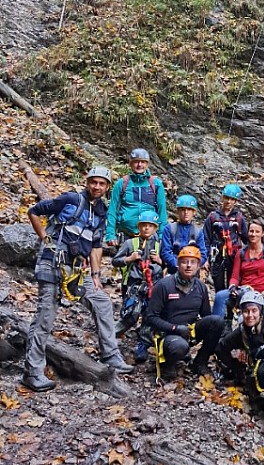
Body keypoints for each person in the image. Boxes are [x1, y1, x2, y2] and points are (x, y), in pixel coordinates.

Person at [22, 166, 133, 392]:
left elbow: (95, 246)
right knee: (45, 316)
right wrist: (45, 239)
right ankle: (32, 372)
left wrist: (95, 275)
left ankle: (111, 355)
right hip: (51, 263)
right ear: (87, 181)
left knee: (101, 301)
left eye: (102, 184)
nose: (97, 187)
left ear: (107, 187)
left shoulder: (101, 211)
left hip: (74, 270)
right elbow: (34, 211)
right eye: (94, 182)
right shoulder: (71, 199)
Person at [146, 245, 225, 376]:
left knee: (217, 321)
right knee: (180, 347)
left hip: (189, 331)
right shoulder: (164, 285)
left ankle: (200, 361)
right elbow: (151, 318)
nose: (188, 266)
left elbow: (207, 316)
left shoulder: (200, 286)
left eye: (193, 262)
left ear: (198, 265)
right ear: (178, 264)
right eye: (184, 262)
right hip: (168, 334)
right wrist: (174, 328)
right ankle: (168, 363)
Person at [112, 209, 163, 363]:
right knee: (131, 313)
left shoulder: (160, 246)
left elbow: (172, 265)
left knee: (149, 316)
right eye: (143, 225)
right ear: (138, 227)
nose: (146, 228)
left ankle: (143, 345)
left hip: (154, 286)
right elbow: (115, 260)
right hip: (134, 285)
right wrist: (130, 258)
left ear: (155, 228)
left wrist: (160, 261)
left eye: (150, 226)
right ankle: (111, 334)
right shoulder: (130, 243)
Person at [105, 149, 167, 246]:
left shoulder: (156, 184)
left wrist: (162, 235)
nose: (139, 165)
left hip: (150, 235)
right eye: (136, 162)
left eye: (143, 162)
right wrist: (110, 234)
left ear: (147, 164)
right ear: (130, 163)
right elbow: (112, 210)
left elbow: (162, 210)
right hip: (126, 233)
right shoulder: (122, 184)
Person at [220, 219, 264, 315]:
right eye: (251, 231)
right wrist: (232, 287)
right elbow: (235, 277)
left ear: (262, 234)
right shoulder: (241, 253)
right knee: (220, 297)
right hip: (245, 293)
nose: (253, 234)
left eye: (257, 232)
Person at [203, 183, 247, 293]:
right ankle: (220, 308)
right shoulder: (213, 217)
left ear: (235, 201)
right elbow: (206, 238)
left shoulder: (238, 217)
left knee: (233, 285)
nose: (228, 201)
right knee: (218, 285)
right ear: (222, 198)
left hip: (234, 256)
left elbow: (246, 238)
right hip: (217, 255)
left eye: (232, 199)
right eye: (227, 198)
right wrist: (204, 259)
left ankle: (231, 309)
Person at [160, 195, 208, 274]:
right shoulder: (169, 229)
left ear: (194, 212)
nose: (186, 212)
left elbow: (203, 254)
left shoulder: (198, 232)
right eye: (182, 209)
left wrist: (194, 266)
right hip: (173, 270)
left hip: (192, 271)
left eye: (189, 209)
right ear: (178, 211)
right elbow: (165, 252)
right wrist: (179, 265)